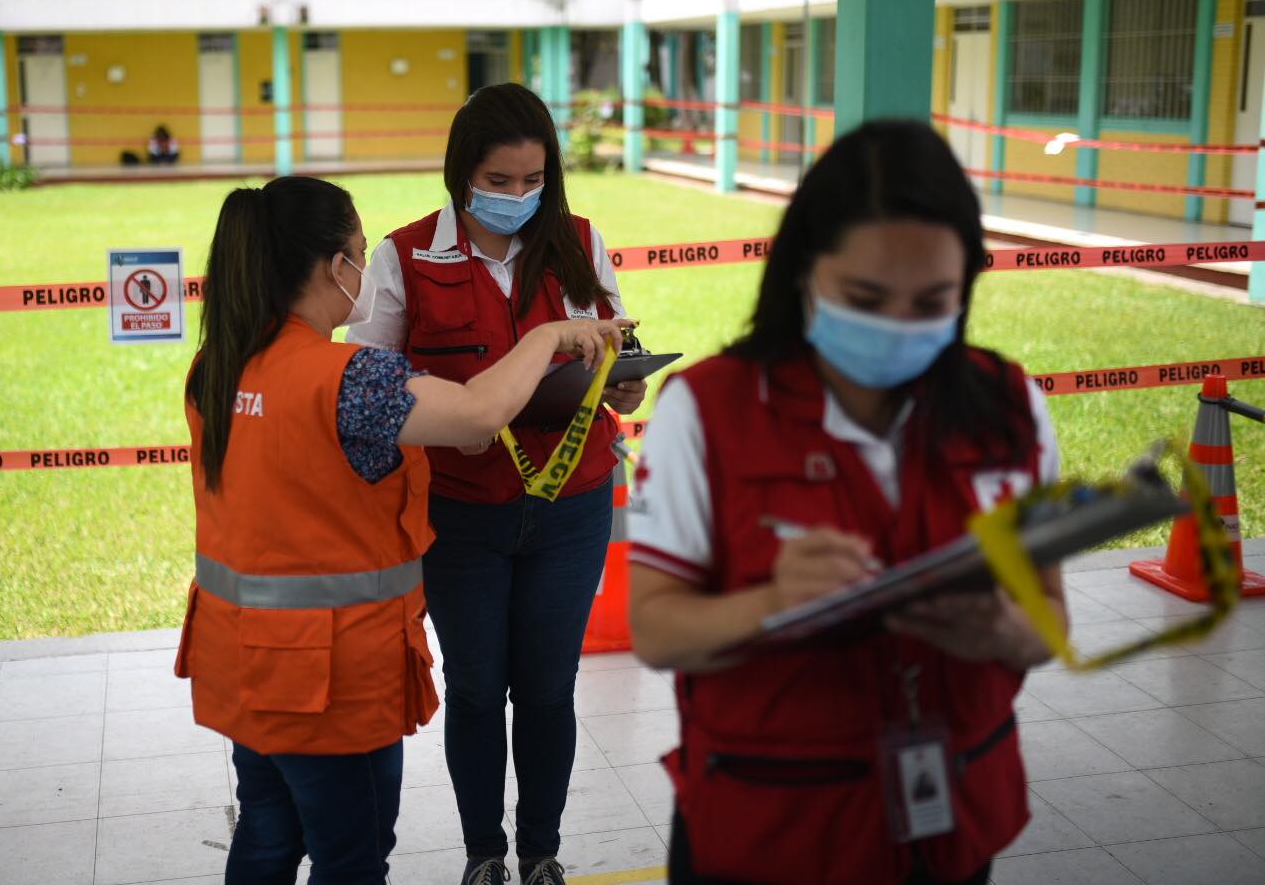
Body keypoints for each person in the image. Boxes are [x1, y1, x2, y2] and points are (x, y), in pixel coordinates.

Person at [626, 119, 1067, 884]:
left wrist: (1004, 628)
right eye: (865, 297)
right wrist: (771, 604)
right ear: (804, 272)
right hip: (772, 830)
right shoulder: (708, 409)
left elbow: (1050, 623)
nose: (900, 326)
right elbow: (657, 631)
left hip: (952, 820)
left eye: (934, 300)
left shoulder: (1009, 407)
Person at [176, 174, 628, 885]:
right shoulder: (353, 378)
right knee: (349, 856)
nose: (364, 265)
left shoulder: (216, 365)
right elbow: (479, 413)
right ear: (334, 268)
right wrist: (547, 336)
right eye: (358, 251)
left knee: (266, 833)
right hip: (329, 679)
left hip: (240, 659)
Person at [346, 82, 645, 885]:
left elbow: (616, 350)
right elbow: (366, 385)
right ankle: (484, 853)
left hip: (572, 504)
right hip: (460, 510)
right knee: (477, 689)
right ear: (461, 174)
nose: (517, 197)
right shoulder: (404, 255)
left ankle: (541, 851)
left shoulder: (579, 242)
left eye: (532, 180)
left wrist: (624, 384)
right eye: (499, 181)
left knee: (548, 691)